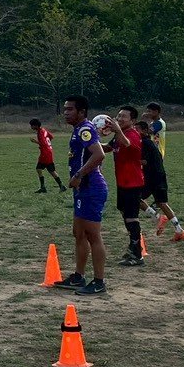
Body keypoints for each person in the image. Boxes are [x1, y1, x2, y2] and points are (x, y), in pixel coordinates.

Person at [60, 97, 108, 295]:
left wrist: (78, 175)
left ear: (81, 112)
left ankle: (99, 282)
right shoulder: (79, 129)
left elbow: (99, 155)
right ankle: (78, 277)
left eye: (70, 109)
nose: (66, 112)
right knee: (78, 233)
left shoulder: (84, 130)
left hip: (91, 188)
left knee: (92, 235)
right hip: (82, 190)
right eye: (65, 109)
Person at [100, 107, 145, 267]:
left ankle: (137, 255)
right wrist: (91, 141)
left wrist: (117, 130)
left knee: (131, 217)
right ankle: (133, 247)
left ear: (132, 121)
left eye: (123, 117)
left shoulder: (132, 134)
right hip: (122, 182)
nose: (119, 118)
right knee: (125, 213)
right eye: (118, 116)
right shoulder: (119, 135)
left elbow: (127, 144)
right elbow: (108, 147)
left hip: (133, 183)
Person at [137, 120, 184, 242]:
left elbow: (144, 161)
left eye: (137, 129)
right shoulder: (150, 143)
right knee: (162, 203)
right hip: (160, 174)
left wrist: (129, 160)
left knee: (135, 197)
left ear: (144, 131)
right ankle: (179, 231)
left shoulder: (144, 143)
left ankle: (158, 217)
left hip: (151, 176)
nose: (134, 132)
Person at [29, 118, 66, 194]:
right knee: (49, 170)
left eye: (32, 125)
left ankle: (44, 188)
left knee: (40, 169)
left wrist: (35, 141)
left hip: (45, 154)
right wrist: (48, 144)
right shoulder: (44, 130)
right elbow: (51, 136)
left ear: (36, 125)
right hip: (48, 152)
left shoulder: (40, 132)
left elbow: (43, 143)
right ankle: (61, 186)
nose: (31, 127)